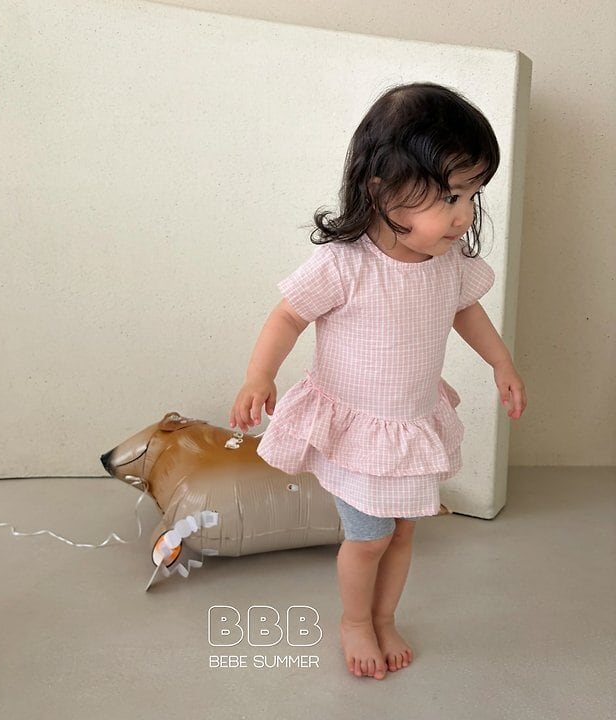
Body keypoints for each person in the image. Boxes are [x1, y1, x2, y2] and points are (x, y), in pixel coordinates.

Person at [229, 82, 527, 680]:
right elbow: (289, 315)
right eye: (449, 195)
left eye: (473, 195)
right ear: (380, 187)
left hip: (411, 425)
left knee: (403, 534)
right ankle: (355, 622)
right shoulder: (346, 264)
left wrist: (501, 361)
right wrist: (259, 375)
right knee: (368, 538)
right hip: (358, 431)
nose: (464, 215)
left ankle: (385, 617)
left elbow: (466, 311)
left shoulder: (448, 262)